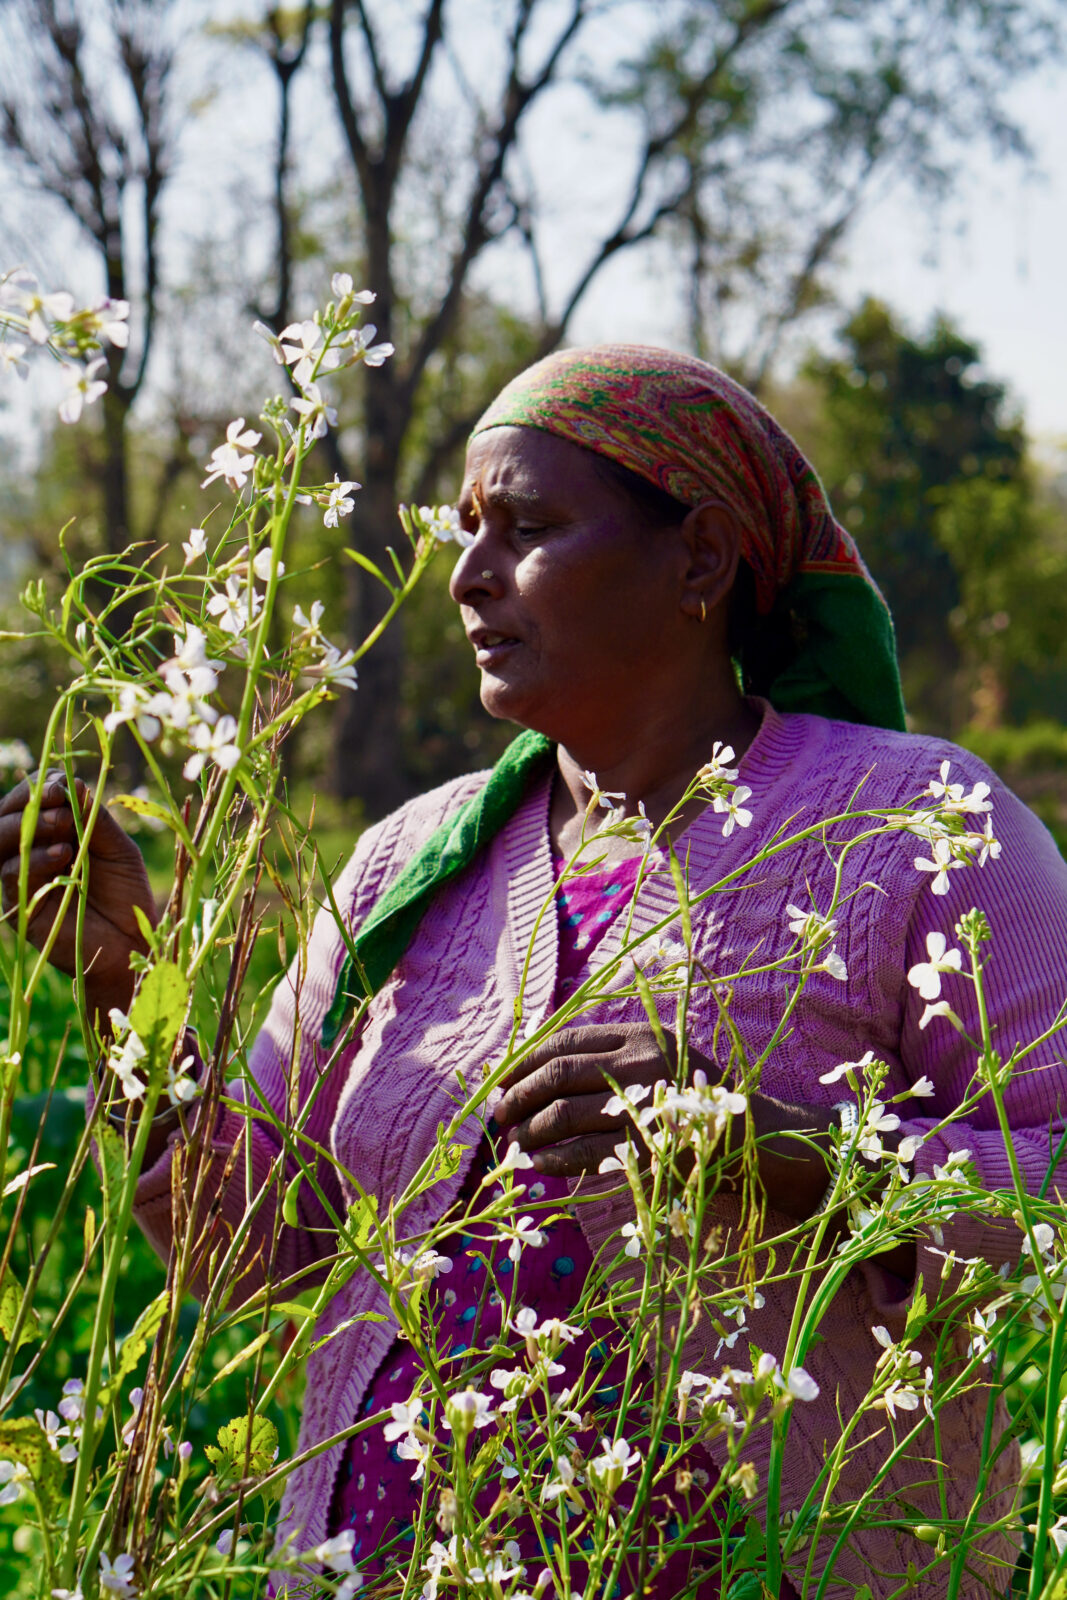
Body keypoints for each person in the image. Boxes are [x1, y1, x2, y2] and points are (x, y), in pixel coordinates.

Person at [3, 345, 1066, 1599]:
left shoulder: (909, 823)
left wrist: (762, 1147)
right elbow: (239, 1249)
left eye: (527, 527)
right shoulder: (412, 859)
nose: (465, 577)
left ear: (701, 560)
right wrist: (124, 975)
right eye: (464, 531)